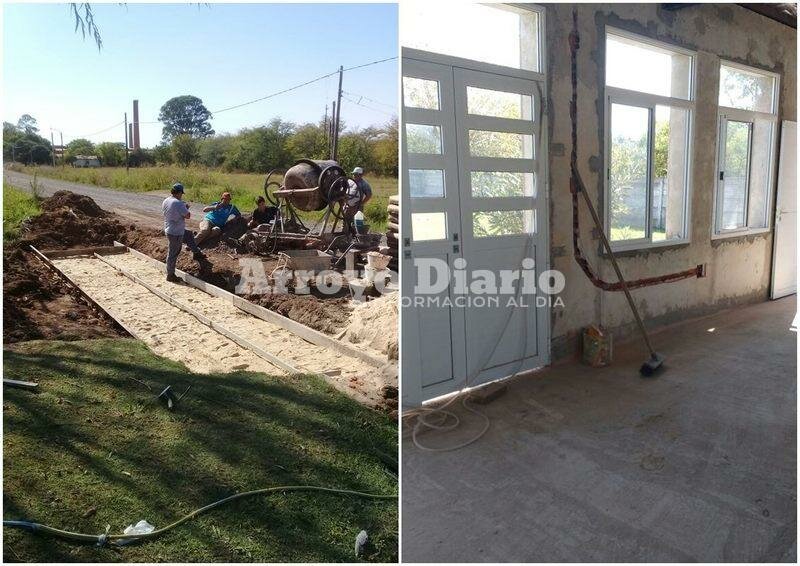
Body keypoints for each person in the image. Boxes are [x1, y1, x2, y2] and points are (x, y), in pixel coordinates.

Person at [162, 183, 204, 283]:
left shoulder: (166, 200)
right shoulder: (178, 203)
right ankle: (170, 275)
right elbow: (187, 216)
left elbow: (173, 211)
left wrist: (182, 207)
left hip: (170, 229)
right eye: (181, 193)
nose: (181, 195)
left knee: (189, 235)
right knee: (173, 253)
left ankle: (196, 252)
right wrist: (186, 207)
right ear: (179, 192)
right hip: (176, 233)